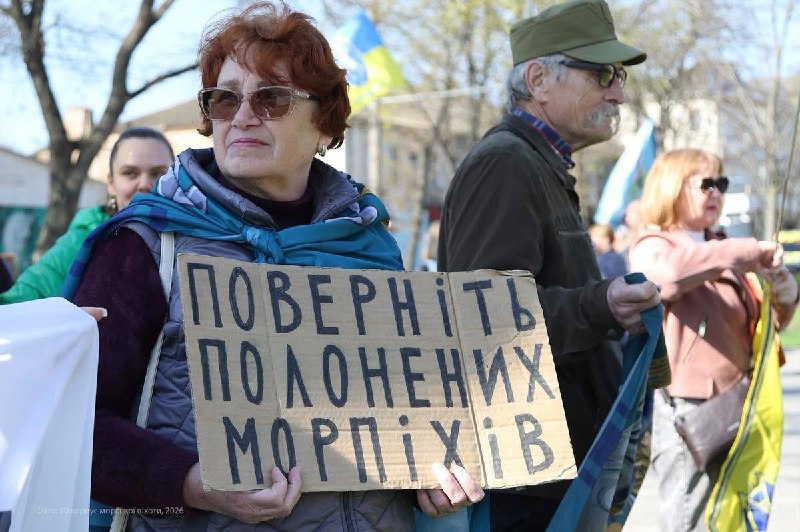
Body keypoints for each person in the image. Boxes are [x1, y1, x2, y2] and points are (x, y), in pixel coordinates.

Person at [68, 2, 482, 529]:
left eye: (271, 98)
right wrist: (193, 484)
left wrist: (434, 476)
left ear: (323, 121)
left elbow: (406, 422)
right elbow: (73, 424)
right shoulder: (146, 245)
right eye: (224, 99)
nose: (242, 116)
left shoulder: (372, 247)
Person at [437, 0, 661, 529]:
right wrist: (602, 306)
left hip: (552, 476)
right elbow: (485, 321)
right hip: (526, 487)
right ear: (538, 79)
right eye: (602, 74)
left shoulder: (537, 164)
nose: (618, 92)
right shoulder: (505, 164)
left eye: (620, 76)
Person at [628, 148, 798, 531]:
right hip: (689, 413)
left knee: (733, 520)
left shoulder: (721, 247)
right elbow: (666, 276)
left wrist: (784, 296)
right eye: (706, 183)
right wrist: (743, 251)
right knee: (687, 521)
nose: (716, 193)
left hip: (742, 405)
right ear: (671, 187)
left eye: (721, 183)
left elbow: (763, 326)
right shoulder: (654, 244)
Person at [0, 126, 174, 304]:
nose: (144, 184)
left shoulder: (191, 238)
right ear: (111, 184)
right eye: (130, 173)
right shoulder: (82, 241)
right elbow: (15, 306)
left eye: (158, 173)